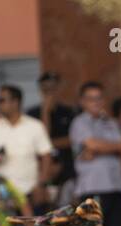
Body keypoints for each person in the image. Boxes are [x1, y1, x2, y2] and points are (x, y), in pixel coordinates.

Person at [70, 81, 121, 226]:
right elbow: (92, 144)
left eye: (99, 98)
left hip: (118, 187)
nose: (96, 102)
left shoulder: (112, 123)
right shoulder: (79, 123)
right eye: (91, 99)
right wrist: (113, 147)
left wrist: (100, 148)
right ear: (82, 101)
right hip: (93, 188)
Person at [0, 85, 54, 197]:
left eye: (1, 100)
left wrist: (41, 185)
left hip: (30, 190)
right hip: (2, 193)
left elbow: (46, 157)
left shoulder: (35, 126)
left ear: (15, 102)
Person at [28, 72, 77, 200]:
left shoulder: (69, 112)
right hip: (41, 173)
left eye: (52, 89)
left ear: (58, 88)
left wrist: (47, 143)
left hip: (66, 171)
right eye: (46, 89)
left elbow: (72, 140)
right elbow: (37, 141)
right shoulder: (32, 114)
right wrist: (45, 112)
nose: (49, 93)